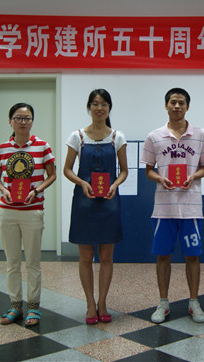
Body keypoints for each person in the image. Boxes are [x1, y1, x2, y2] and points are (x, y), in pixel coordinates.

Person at [141, 88, 204, 324]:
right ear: (166, 105)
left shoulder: (201, 134)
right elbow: (148, 170)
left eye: (181, 103)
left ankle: (194, 302)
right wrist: (160, 178)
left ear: (187, 106)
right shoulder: (154, 136)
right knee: (163, 256)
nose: (177, 106)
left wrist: (194, 176)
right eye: (173, 102)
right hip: (164, 208)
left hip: (192, 207)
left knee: (193, 256)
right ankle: (163, 303)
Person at [64, 89, 128, 324]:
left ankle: (102, 302)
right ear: (89, 107)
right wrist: (82, 182)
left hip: (109, 202)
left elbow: (124, 171)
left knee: (107, 257)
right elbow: (67, 169)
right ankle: (90, 303)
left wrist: (115, 185)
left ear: (109, 108)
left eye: (104, 104)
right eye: (95, 104)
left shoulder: (117, 137)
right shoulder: (77, 136)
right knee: (85, 257)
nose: (99, 108)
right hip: (84, 202)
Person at [0, 103, 56, 327]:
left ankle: (34, 307)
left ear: (32, 122)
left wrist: (36, 191)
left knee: (33, 262)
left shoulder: (42, 146)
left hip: (32, 211)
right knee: (12, 262)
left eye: (27, 118)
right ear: (10, 121)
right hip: (7, 211)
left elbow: (52, 175)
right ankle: (15, 306)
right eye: (18, 118)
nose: (23, 122)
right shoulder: (2, 148)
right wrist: (4, 190)